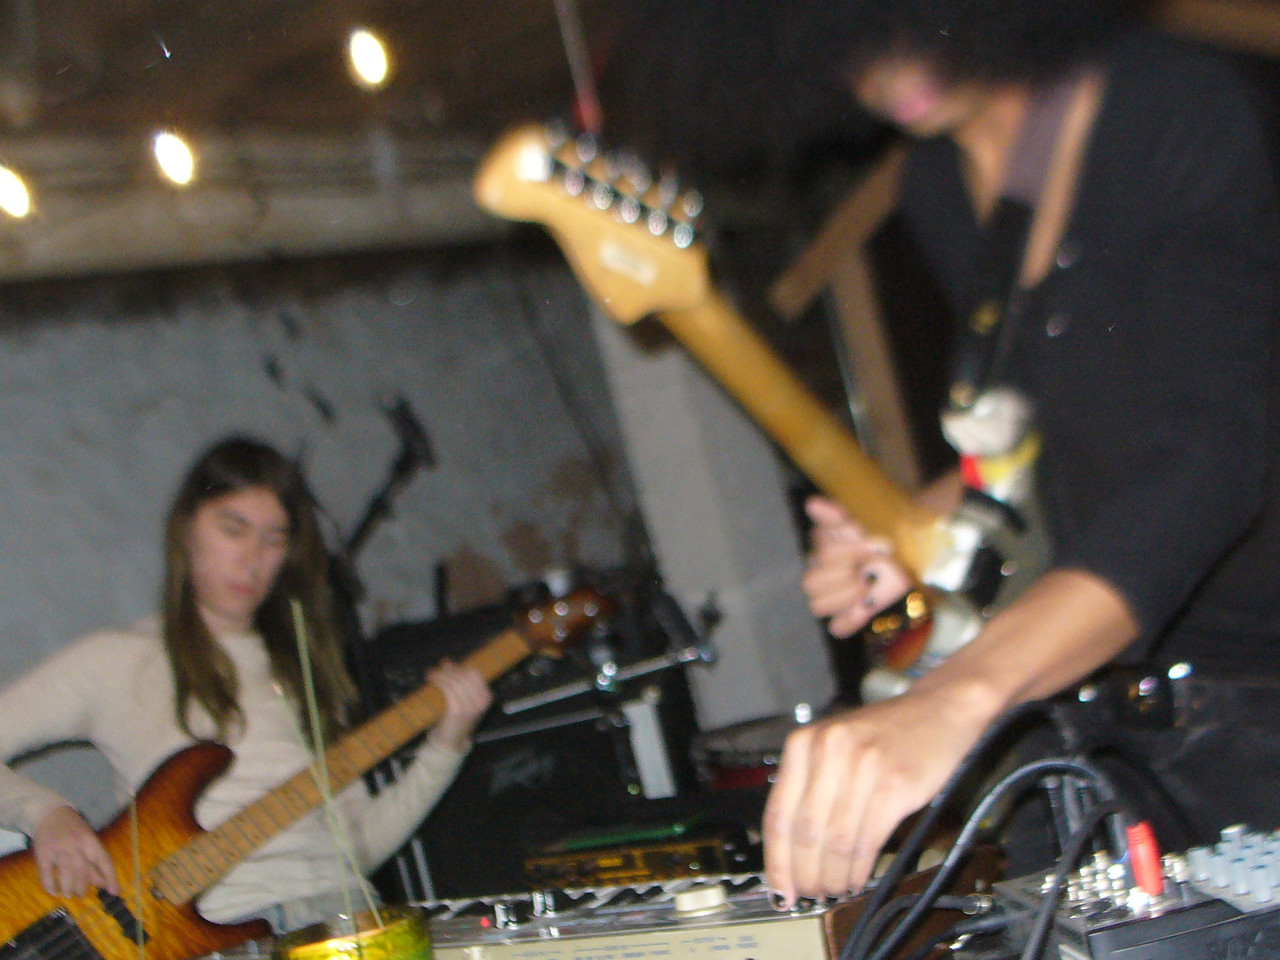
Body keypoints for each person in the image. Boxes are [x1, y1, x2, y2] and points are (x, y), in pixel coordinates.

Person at [763, 0, 1280, 907]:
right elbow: (1044, 428)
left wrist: (960, 695)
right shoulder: (935, 182)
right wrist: (917, 526)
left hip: (1256, 708)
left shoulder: (1171, 100)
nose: (886, 62)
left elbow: (1216, 454)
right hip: (1103, 722)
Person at [0, 435, 492, 931]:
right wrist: (47, 814)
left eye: (274, 539)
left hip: (349, 922)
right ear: (186, 530)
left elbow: (355, 847)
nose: (253, 559)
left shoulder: (303, 670)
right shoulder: (118, 659)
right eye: (233, 529)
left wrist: (445, 746)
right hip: (220, 933)